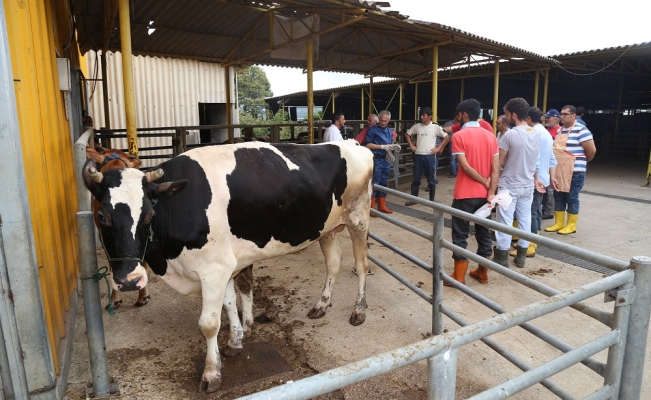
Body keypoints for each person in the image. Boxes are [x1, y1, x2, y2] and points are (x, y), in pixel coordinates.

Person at [444, 99, 499, 286]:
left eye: (458, 115)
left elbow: (465, 166)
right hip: (485, 196)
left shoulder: (459, 136)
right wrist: (490, 191)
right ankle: (482, 272)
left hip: (465, 194)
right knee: (484, 232)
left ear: (464, 115)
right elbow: (496, 168)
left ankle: (459, 276)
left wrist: (482, 180)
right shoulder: (490, 136)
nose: (456, 119)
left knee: (460, 233)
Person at [492, 98, 541, 269]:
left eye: (506, 114)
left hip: (509, 184)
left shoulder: (509, 135)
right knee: (525, 220)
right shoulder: (536, 133)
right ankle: (521, 256)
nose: (506, 118)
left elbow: (499, 161)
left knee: (504, 222)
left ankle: (502, 256)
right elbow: (535, 161)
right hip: (527, 185)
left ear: (513, 114)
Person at [510, 107, 557, 259]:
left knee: (530, 212)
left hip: (533, 178)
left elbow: (534, 159)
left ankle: (530, 244)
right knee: (535, 211)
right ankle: (531, 241)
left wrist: (534, 178)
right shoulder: (546, 134)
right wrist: (551, 177)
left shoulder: (533, 133)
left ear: (528, 118)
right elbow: (552, 159)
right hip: (542, 178)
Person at [545, 105, 596, 235]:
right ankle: (559, 223)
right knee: (559, 197)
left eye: (564, 114)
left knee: (572, 198)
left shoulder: (582, 130)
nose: (561, 116)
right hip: (559, 171)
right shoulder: (559, 131)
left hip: (575, 172)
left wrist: (580, 162)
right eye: (561, 114)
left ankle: (571, 225)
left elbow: (591, 151)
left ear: (573, 115)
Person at [404, 107, 448, 205]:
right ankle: (414, 199)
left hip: (429, 156)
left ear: (430, 116)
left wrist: (439, 148)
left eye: (424, 115)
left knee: (431, 179)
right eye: (421, 115)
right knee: (416, 179)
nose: (422, 117)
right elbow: (407, 134)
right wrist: (411, 145)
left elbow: (446, 137)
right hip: (418, 155)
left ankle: (431, 201)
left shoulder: (435, 127)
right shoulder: (417, 126)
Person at [366, 110, 401, 215]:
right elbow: (368, 145)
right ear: (379, 119)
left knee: (384, 181)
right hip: (376, 158)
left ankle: (382, 205)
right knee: (375, 182)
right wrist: (382, 146)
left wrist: (390, 146)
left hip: (386, 159)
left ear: (388, 121)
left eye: (385, 121)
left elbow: (391, 141)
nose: (383, 123)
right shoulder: (372, 130)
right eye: (381, 120)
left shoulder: (389, 131)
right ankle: (371, 207)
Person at [542, 109, 562, 218]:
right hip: (546, 162)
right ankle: (545, 208)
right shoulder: (546, 130)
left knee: (550, 189)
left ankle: (549, 211)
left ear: (556, 119)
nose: (546, 119)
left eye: (548, 118)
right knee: (544, 187)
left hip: (553, 162)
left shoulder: (559, 131)